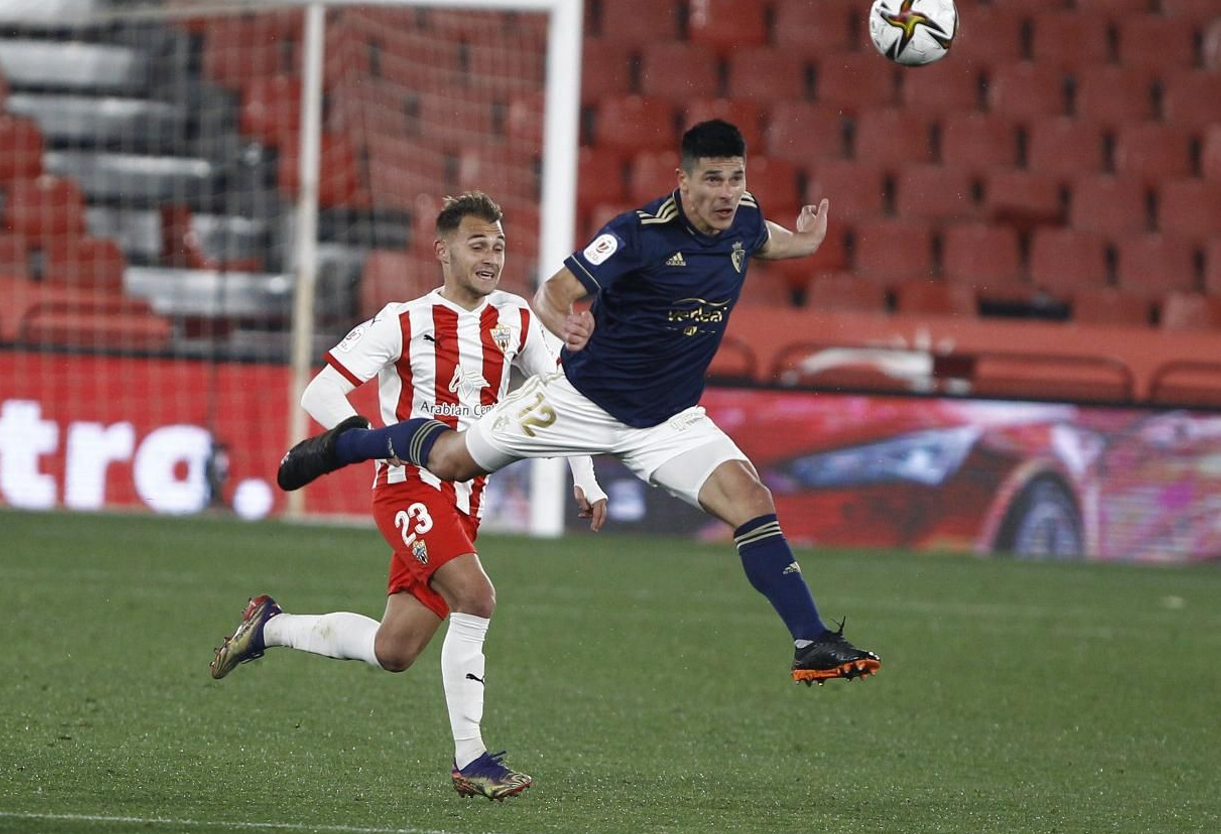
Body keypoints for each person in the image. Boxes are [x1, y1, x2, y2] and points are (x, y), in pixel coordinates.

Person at [278, 120, 879, 687]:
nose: (727, 193)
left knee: (751, 498)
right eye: (713, 180)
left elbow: (762, 240)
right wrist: (567, 323)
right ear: (685, 180)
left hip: (668, 421)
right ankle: (345, 445)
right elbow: (553, 293)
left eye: (737, 178)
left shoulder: (742, 220)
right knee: (451, 461)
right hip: (582, 401)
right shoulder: (636, 235)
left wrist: (805, 241)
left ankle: (811, 642)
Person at [212, 192, 608, 802]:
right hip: (408, 488)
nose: (491, 257)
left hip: (466, 498)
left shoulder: (518, 319)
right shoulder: (405, 319)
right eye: (477, 245)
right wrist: (379, 444)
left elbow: (561, 397)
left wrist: (585, 476)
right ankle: (472, 760)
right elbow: (321, 393)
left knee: (393, 650)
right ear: (441, 250)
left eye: (499, 246)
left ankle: (270, 627)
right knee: (477, 596)